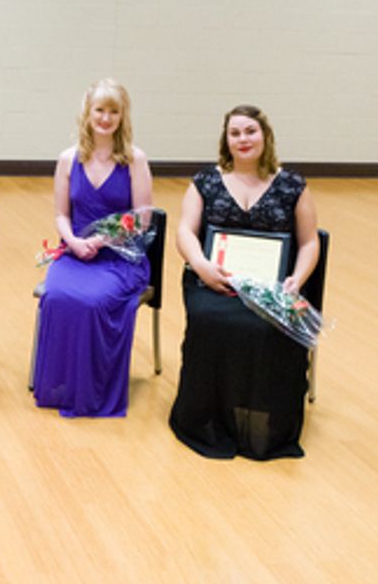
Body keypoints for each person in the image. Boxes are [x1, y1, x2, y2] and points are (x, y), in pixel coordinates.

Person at [169, 105, 318, 459]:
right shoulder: (205, 181)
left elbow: (310, 241)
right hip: (214, 281)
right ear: (226, 140)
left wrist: (296, 280)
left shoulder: (292, 185)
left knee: (267, 327)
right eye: (235, 133)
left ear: (264, 136)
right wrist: (201, 266)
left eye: (250, 131)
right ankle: (206, 418)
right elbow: (185, 231)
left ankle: (262, 424)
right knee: (210, 319)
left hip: (273, 287)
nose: (243, 139)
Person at [32, 79, 153, 417]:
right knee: (55, 297)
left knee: (93, 302)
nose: (105, 118)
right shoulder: (68, 159)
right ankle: (63, 385)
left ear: (122, 116)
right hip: (74, 252)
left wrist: (101, 241)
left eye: (113, 111)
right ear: (87, 113)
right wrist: (72, 241)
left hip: (119, 258)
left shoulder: (135, 159)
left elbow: (142, 220)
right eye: (99, 110)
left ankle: (92, 388)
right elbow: (60, 214)